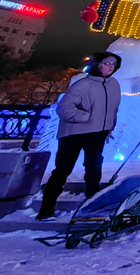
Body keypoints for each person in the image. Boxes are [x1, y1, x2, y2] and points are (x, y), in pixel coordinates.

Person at [36, 52, 122, 220]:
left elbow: (113, 109)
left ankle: (92, 203)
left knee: (94, 169)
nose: (110, 66)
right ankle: (46, 209)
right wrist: (85, 117)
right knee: (62, 170)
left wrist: (109, 127)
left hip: (98, 133)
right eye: (106, 63)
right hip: (74, 134)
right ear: (97, 65)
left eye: (113, 63)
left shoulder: (114, 84)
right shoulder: (82, 84)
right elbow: (64, 108)